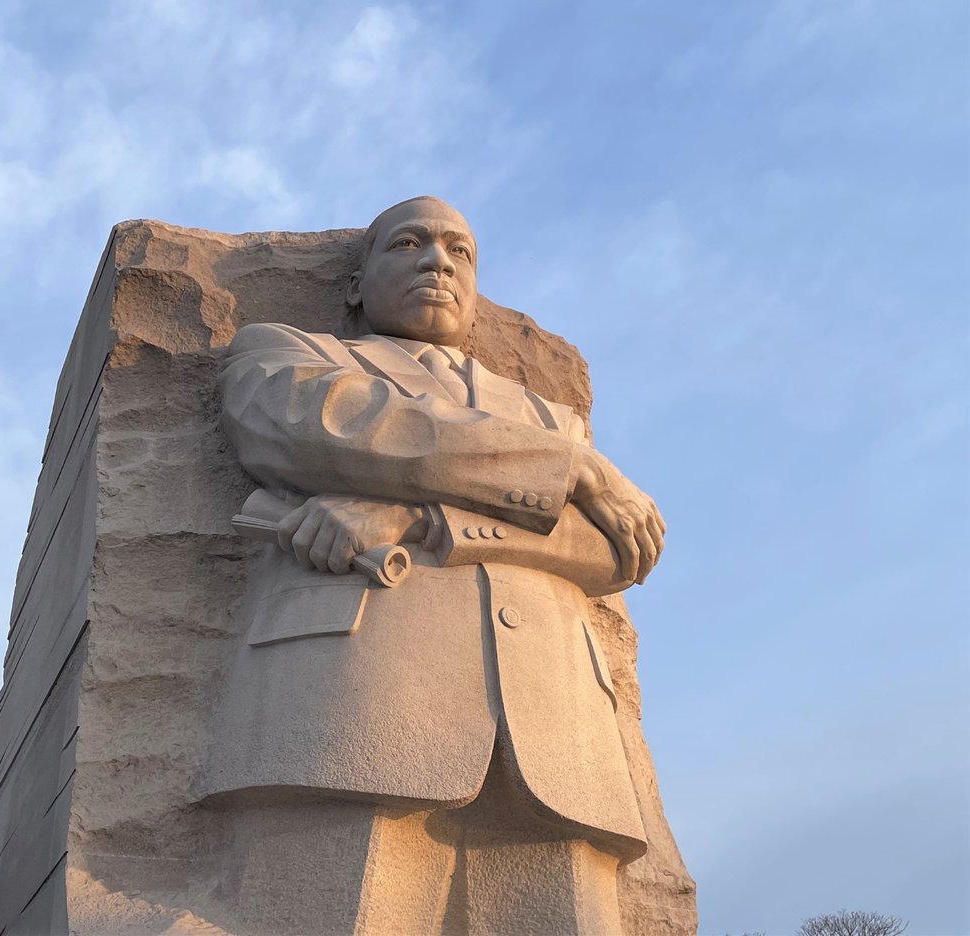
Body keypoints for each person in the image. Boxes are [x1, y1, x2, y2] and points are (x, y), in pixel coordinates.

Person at [205, 196, 665, 935]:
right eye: (409, 243)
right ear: (355, 284)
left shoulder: (553, 418)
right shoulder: (288, 354)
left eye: (459, 251)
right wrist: (571, 469)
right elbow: (323, 429)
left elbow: (614, 550)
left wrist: (424, 519)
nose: (436, 262)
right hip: (353, 706)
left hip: (557, 728)